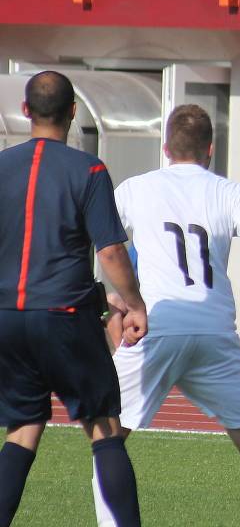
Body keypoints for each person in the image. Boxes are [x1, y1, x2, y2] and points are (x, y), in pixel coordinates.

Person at [91, 104, 240, 527]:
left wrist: (111, 297)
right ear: (210, 150)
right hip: (215, 330)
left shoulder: (135, 188)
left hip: (157, 325)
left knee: (107, 438)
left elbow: (103, 245)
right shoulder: (230, 192)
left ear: (165, 148)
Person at [0, 71, 147, 527]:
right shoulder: (89, 169)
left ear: (26, 111)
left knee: (22, 430)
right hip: (65, 315)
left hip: (7, 317)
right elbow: (110, 250)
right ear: (72, 112)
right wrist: (134, 303)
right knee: (103, 427)